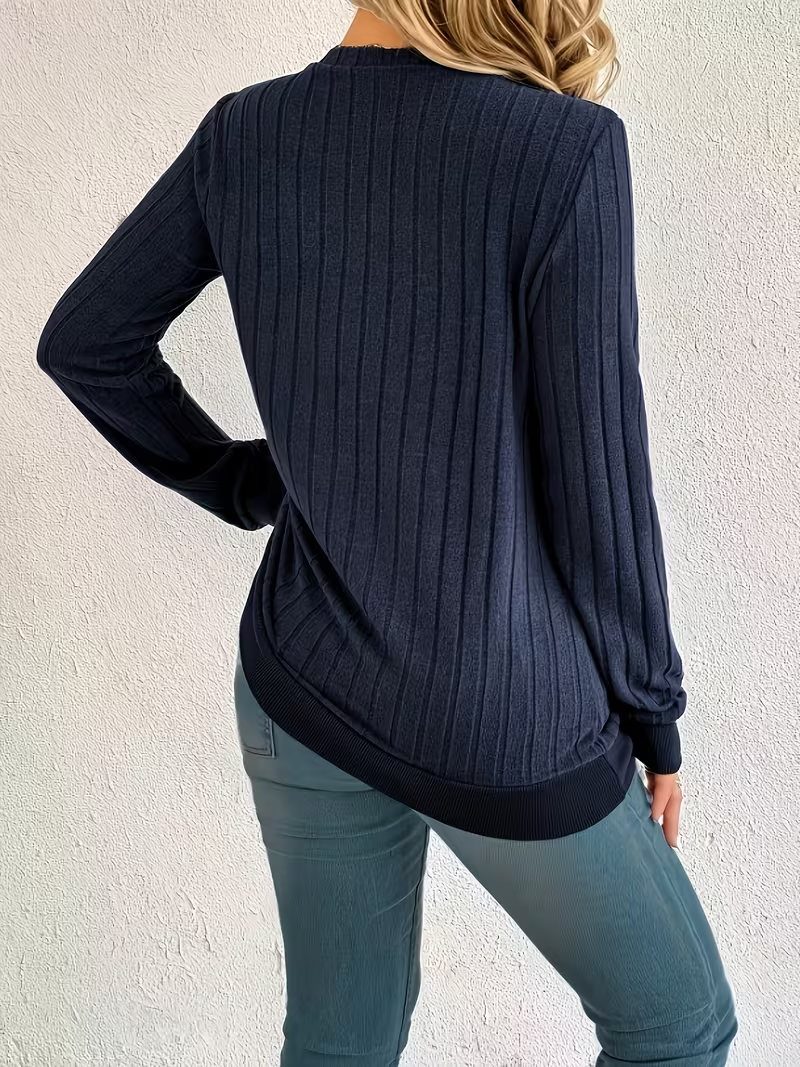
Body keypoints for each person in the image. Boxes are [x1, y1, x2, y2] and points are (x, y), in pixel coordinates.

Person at [36, 0, 739, 1062]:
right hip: (501, 716)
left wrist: (246, 482)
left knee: (339, 1043)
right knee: (679, 1028)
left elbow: (88, 342)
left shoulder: (246, 133)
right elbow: (599, 478)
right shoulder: (564, 149)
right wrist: (652, 711)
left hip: (301, 679)